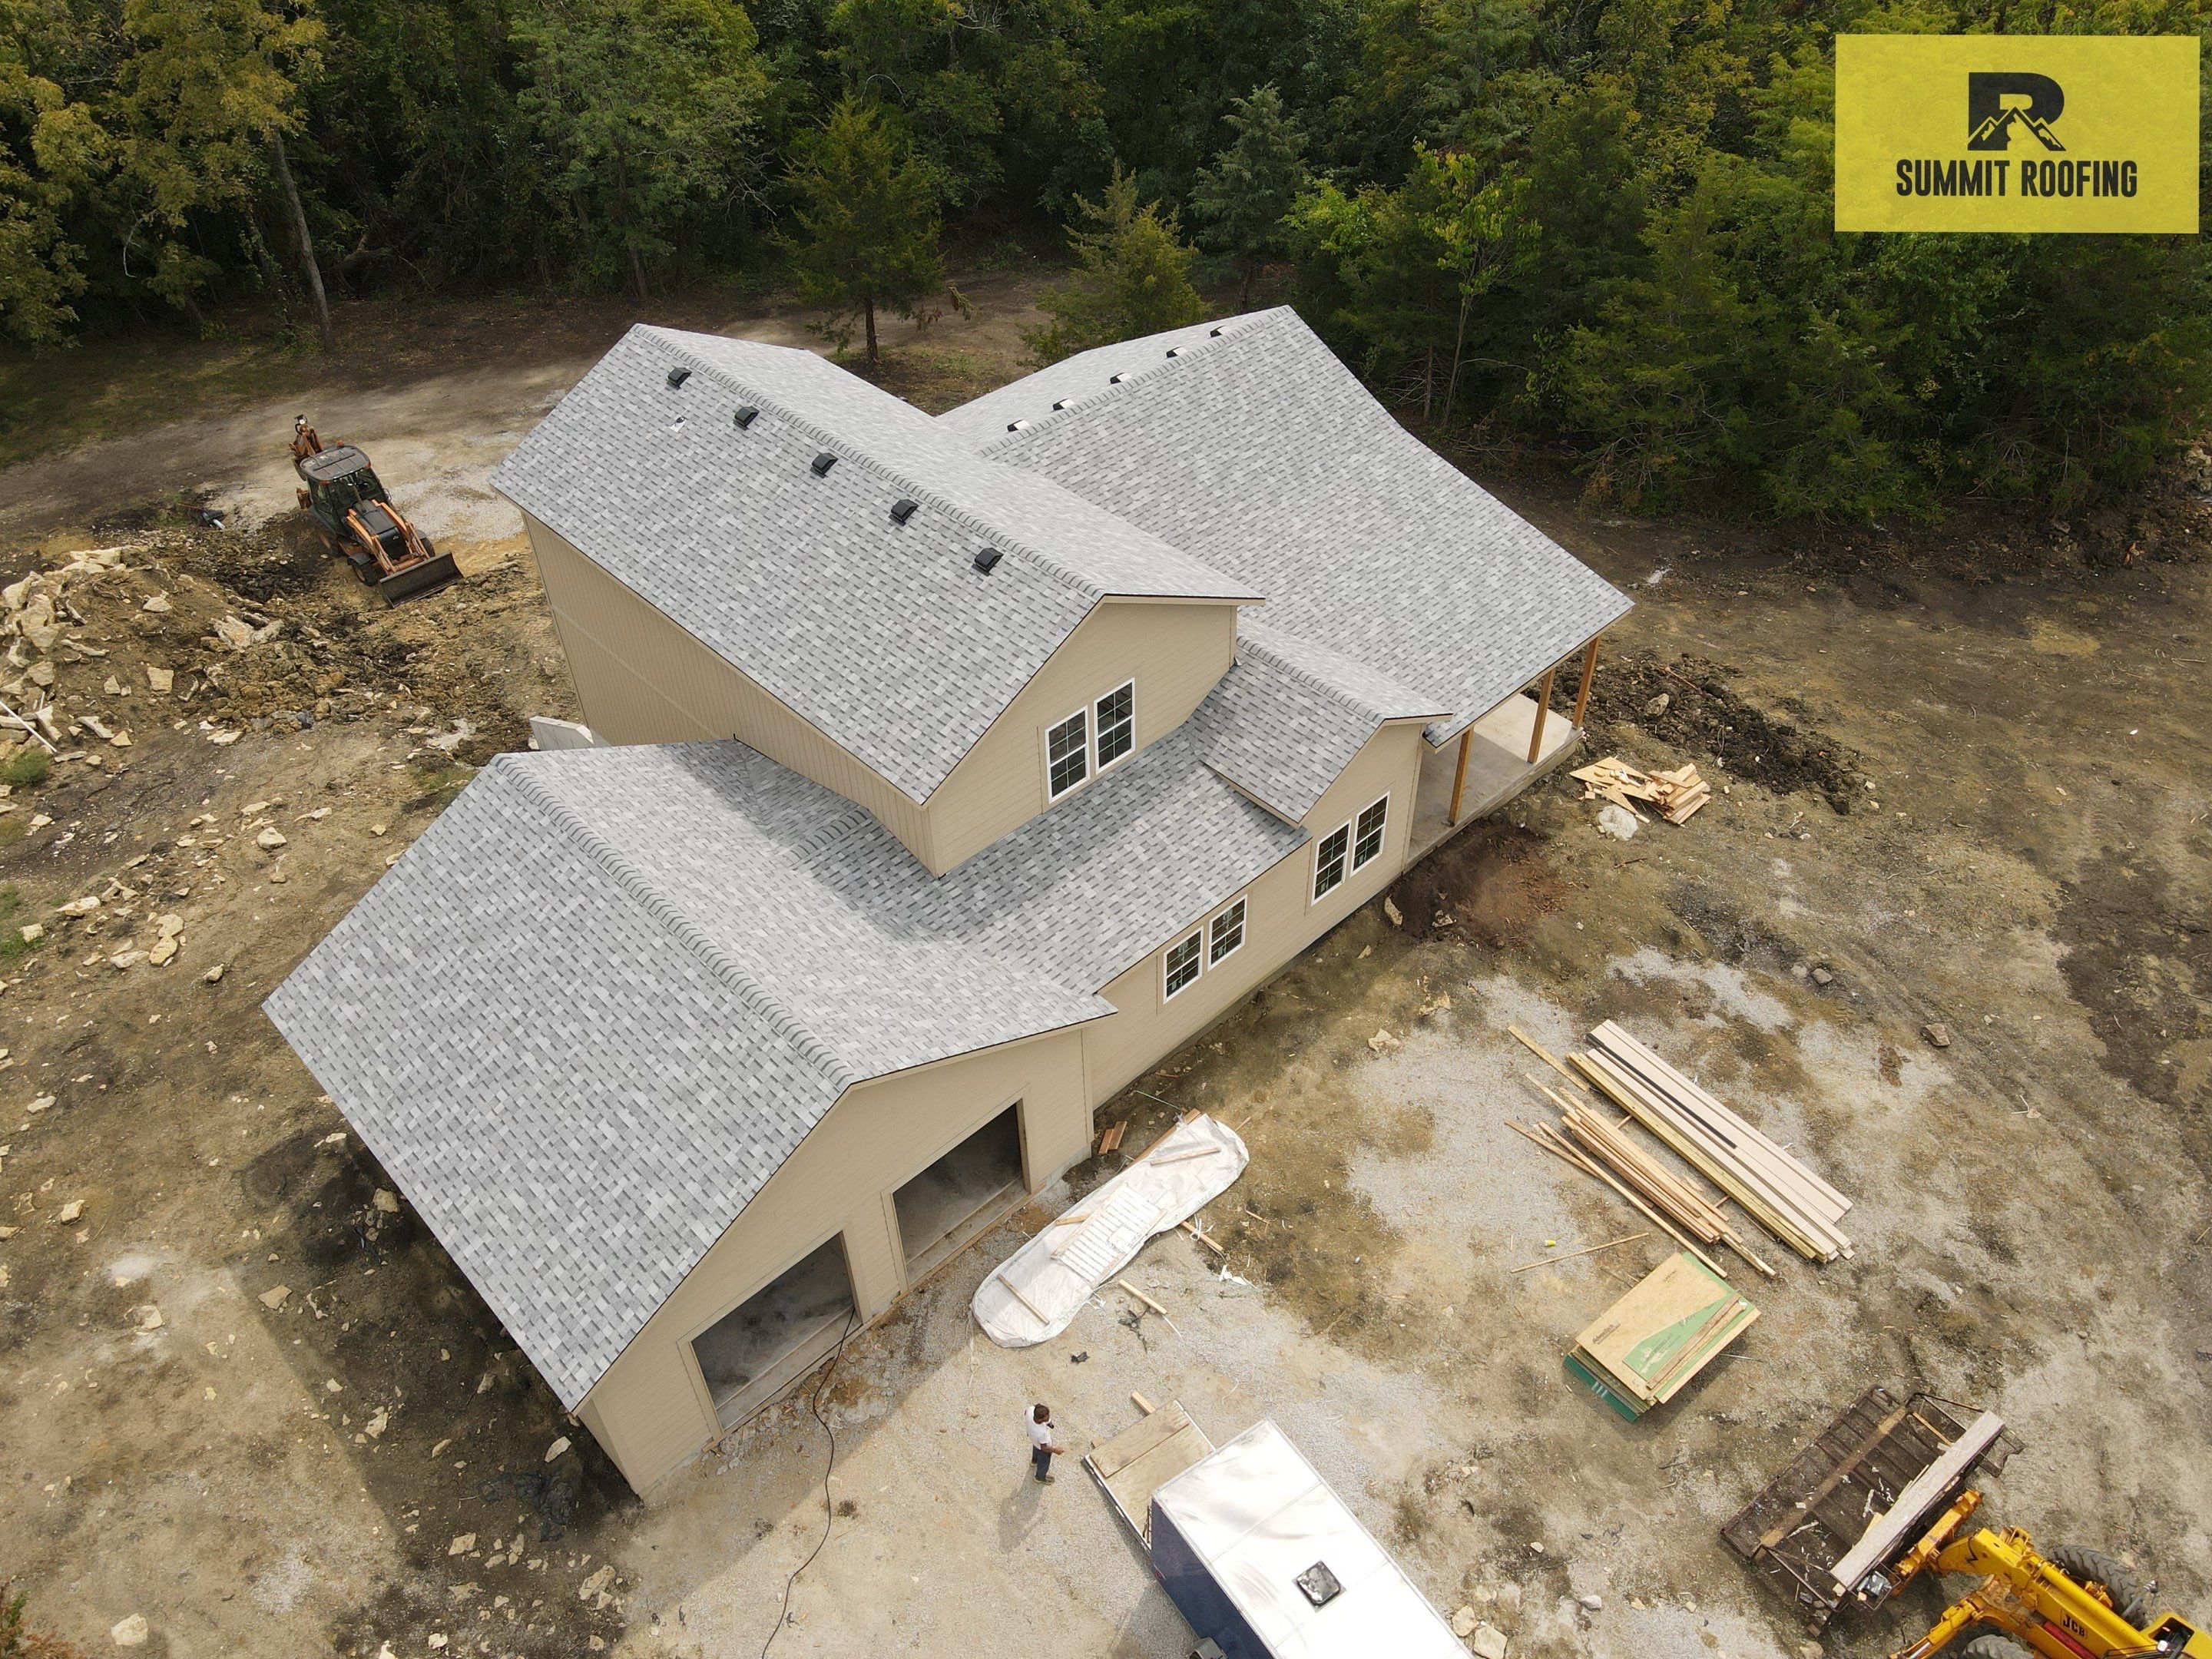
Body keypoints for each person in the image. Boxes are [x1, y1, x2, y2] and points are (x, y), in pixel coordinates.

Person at [1026, 1402, 1066, 1484]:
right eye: (1047, 1418)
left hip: (1034, 1441)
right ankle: (1040, 1477)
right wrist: (1056, 1450)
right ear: (1040, 1420)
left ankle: (1034, 1462)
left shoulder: (1030, 1410)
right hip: (1042, 1449)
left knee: (1035, 1450)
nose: (1049, 1417)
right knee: (1044, 1462)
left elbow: (1026, 1413)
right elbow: (1044, 1448)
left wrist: (1047, 1423)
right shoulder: (1042, 1432)